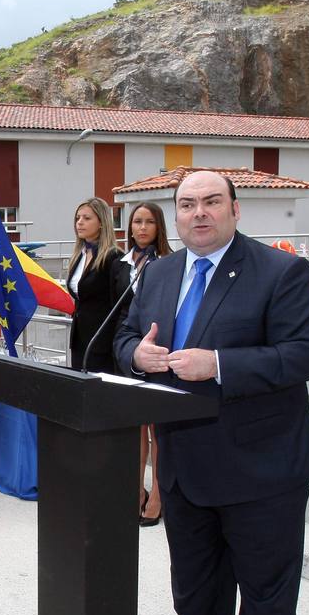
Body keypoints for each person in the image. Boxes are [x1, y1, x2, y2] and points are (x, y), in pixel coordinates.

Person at [114, 169, 309, 615]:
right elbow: (126, 337)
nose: (198, 213)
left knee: (265, 591)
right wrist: (139, 353)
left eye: (211, 202)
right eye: (187, 204)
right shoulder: (156, 272)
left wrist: (221, 364)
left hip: (262, 468)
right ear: (175, 215)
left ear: (236, 208)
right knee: (195, 577)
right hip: (185, 457)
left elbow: (308, 354)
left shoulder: (280, 271)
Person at [120, 202, 173, 527]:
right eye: (136, 222)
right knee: (136, 428)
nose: (141, 228)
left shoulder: (169, 264)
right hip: (128, 356)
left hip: (160, 352)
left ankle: (158, 494)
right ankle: (136, 490)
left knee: (159, 429)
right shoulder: (120, 263)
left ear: (159, 227)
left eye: (148, 222)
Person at [67, 197, 126, 374]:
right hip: (79, 340)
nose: (80, 223)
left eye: (87, 218)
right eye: (78, 218)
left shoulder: (113, 257)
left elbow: (119, 303)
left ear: (101, 222)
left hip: (102, 343)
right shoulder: (80, 255)